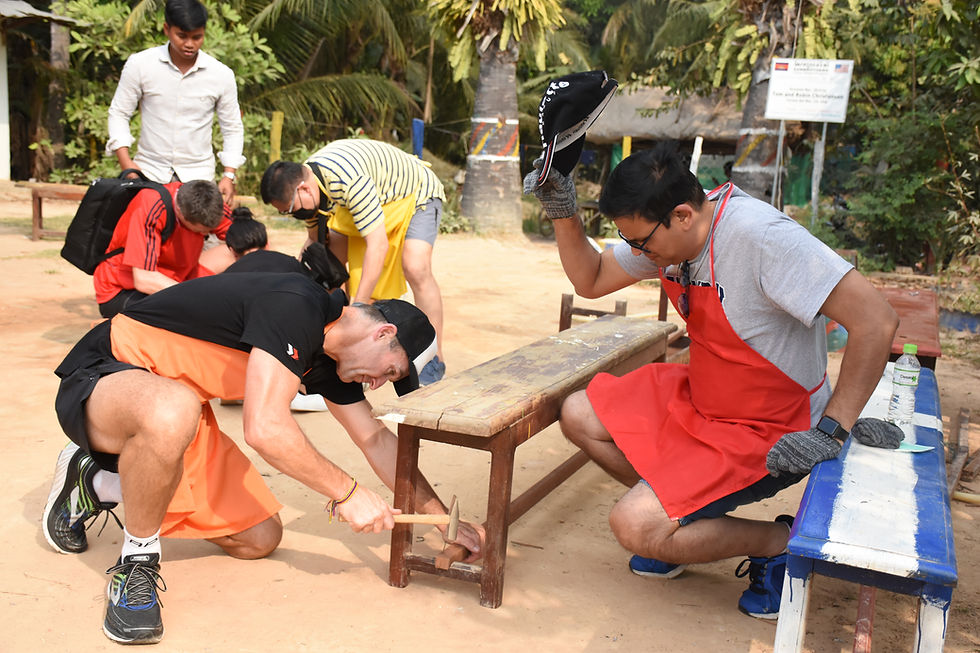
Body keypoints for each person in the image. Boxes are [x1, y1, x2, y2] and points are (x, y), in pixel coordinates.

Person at [525, 141, 903, 619]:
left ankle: (778, 543)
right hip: (707, 400)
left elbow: (876, 320)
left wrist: (832, 429)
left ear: (683, 214)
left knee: (633, 525)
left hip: (770, 424)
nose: (639, 253)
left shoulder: (763, 239)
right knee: (579, 412)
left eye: (641, 242)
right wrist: (564, 213)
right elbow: (593, 278)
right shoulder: (672, 233)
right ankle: (682, 522)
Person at [41, 272, 482, 644]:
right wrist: (347, 493)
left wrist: (444, 519)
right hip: (107, 374)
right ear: (383, 333)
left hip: (177, 409)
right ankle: (136, 564)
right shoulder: (297, 305)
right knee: (174, 408)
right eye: (391, 371)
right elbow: (265, 428)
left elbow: (375, 440)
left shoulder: (333, 363)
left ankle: (98, 482)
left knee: (258, 538)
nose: (379, 384)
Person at [260, 139, 448, 385]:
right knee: (328, 267)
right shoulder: (311, 187)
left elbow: (377, 245)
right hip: (377, 202)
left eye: (290, 209)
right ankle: (328, 354)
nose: (292, 215)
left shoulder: (346, 179)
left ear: (304, 189)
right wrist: (295, 279)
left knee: (416, 266)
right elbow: (316, 245)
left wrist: (358, 308)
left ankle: (433, 360)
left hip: (415, 193)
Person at [106, 0, 245, 205]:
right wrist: (127, 164)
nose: (190, 44)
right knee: (146, 235)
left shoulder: (221, 74)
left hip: (199, 178)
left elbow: (232, 127)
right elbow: (119, 113)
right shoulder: (140, 64)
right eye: (182, 36)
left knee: (200, 237)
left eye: (197, 37)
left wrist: (229, 174)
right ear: (166, 30)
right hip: (148, 173)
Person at [93, 178, 231, 318]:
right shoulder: (151, 204)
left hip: (179, 278)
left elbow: (246, 239)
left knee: (237, 252)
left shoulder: (207, 202)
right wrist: (198, 298)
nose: (205, 235)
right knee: (194, 317)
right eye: (200, 232)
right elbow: (143, 279)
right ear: (180, 213)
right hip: (126, 288)